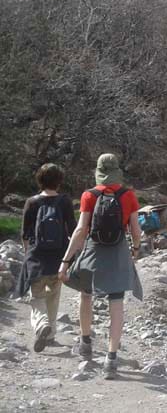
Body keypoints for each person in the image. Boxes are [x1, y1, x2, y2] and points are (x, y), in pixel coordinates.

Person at [58, 153, 143, 380]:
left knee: (86, 296)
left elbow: (80, 230)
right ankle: (111, 358)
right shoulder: (129, 196)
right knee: (116, 303)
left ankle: (86, 343)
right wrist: (135, 250)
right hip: (118, 252)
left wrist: (66, 261)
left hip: (92, 252)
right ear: (117, 171)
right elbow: (136, 230)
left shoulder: (89, 195)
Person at [14, 164, 77, 353]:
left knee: (37, 297)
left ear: (39, 180)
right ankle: (50, 335)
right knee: (53, 296)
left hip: (37, 258)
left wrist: (28, 255)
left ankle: (41, 324)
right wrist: (70, 257)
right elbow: (72, 230)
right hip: (59, 257)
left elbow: (25, 234)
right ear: (59, 181)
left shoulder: (31, 202)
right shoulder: (65, 201)